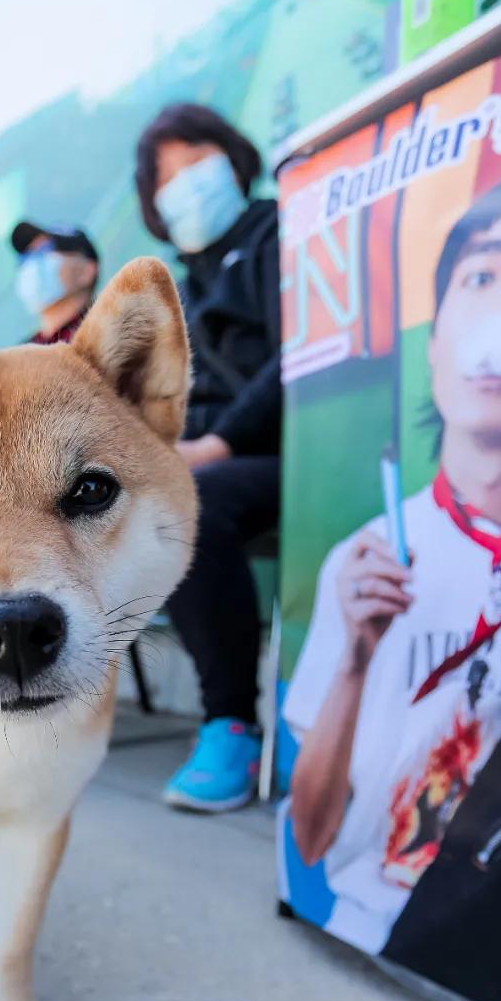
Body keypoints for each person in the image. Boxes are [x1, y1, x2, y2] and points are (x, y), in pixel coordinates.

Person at [287, 143, 501, 961]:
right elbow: (311, 838)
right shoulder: (367, 560)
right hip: (371, 931)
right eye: (481, 274)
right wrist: (354, 660)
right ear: (436, 340)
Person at [134, 103, 281, 811]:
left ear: (234, 161)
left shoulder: (278, 234)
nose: (188, 184)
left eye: (199, 163)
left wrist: (216, 444)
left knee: (194, 504)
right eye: (170, 177)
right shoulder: (181, 291)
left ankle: (230, 724)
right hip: (204, 457)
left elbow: (300, 356)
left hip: (287, 450)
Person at [11, 221, 99, 343]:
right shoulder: (22, 351)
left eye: (45, 249)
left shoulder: (107, 335)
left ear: (86, 271)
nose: (31, 263)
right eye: (26, 256)